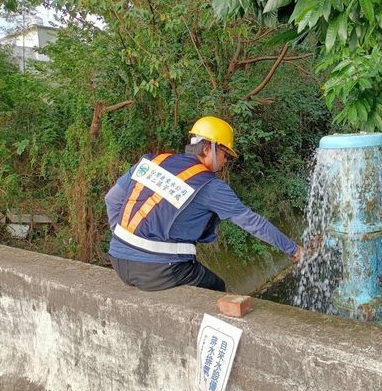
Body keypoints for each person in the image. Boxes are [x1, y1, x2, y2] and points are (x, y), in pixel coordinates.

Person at [105, 116, 302, 292]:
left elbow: (112, 199)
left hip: (118, 260)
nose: (226, 161)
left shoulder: (152, 161)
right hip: (159, 271)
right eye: (225, 154)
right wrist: (293, 249)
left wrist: (123, 240)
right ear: (208, 148)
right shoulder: (210, 186)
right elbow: (253, 223)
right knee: (216, 288)